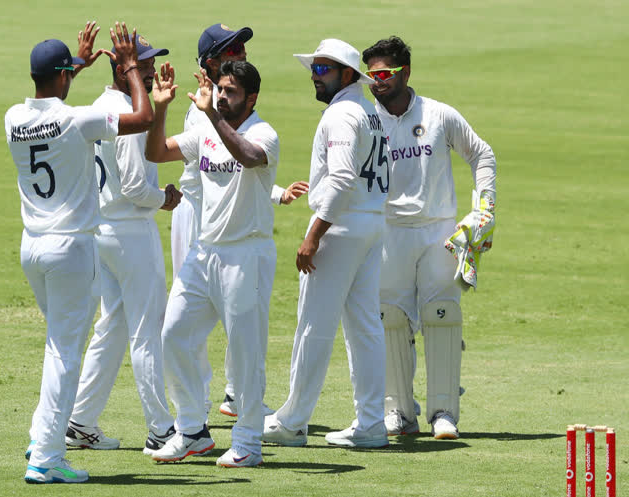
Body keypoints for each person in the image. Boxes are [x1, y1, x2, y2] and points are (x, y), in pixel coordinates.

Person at [5, 21, 153, 484]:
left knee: (58, 347)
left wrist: (76, 68)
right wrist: (130, 69)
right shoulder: (77, 119)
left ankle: (41, 436)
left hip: (33, 247)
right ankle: (46, 457)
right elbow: (143, 117)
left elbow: (54, 103)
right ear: (65, 75)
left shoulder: (13, 117)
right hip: (71, 248)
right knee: (65, 354)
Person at [361, 36, 496, 439]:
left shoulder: (438, 115)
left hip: (440, 231)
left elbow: (482, 153)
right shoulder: (365, 120)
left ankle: (444, 413)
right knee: (390, 319)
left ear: (406, 72)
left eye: (385, 73)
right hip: (388, 233)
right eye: (372, 75)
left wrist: (484, 207)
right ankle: (399, 413)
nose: (377, 82)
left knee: (442, 316)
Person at [146, 60, 279, 467]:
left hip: (246, 254)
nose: (222, 96)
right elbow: (155, 151)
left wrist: (210, 114)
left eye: (231, 91)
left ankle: (249, 442)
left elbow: (248, 156)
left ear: (251, 98)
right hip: (205, 253)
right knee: (173, 335)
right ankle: (191, 431)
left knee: (245, 353)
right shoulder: (205, 128)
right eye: (220, 88)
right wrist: (161, 107)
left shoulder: (263, 133)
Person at [171, 23, 308, 419]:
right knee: (192, 317)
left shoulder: (233, 113)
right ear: (212, 63)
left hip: (225, 218)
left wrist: (275, 191)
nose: (243, 55)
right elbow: (222, 167)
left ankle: (235, 394)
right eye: (233, 52)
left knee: (240, 313)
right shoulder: (201, 113)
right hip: (197, 217)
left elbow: (238, 168)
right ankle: (195, 408)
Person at [262, 39, 390, 449]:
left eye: (323, 70)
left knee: (313, 327)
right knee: (366, 327)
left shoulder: (342, 115)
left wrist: (313, 234)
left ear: (348, 75)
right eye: (314, 70)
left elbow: (339, 178)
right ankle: (371, 422)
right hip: (371, 224)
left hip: (342, 228)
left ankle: (293, 421)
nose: (315, 77)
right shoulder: (370, 112)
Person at [64, 34, 183, 457]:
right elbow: (135, 185)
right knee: (146, 330)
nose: (150, 70)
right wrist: (164, 198)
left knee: (112, 327)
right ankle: (162, 430)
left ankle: (79, 421)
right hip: (132, 231)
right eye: (143, 64)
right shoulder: (130, 113)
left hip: (101, 230)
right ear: (123, 69)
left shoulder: (95, 107)